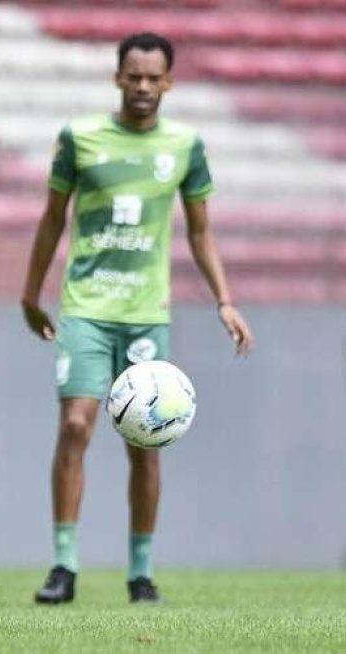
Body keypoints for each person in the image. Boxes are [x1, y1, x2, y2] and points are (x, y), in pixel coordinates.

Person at [20, 31, 254, 605]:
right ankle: (64, 565)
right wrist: (31, 292)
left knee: (145, 443)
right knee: (76, 425)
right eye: (135, 76)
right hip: (87, 307)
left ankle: (141, 572)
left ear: (168, 82)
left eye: (155, 77)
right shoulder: (79, 139)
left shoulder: (185, 146)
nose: (144, 86)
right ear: (118, 77)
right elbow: (52, 219)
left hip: (147, 314)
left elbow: (200, 230)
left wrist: (223, 298)